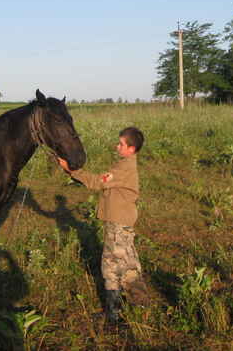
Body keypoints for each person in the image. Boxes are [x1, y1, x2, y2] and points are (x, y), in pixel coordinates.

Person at [57, 126, 149, 324]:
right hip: (119, 222)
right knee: (120, 264)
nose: (117, 146)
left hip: (119, 224)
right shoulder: (124, 164)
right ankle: (127, 307)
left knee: (118, 265)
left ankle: (126, 310)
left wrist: (71, 170)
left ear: (131, 149)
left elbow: (97, 182)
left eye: (121, 144)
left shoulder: (124, 167)